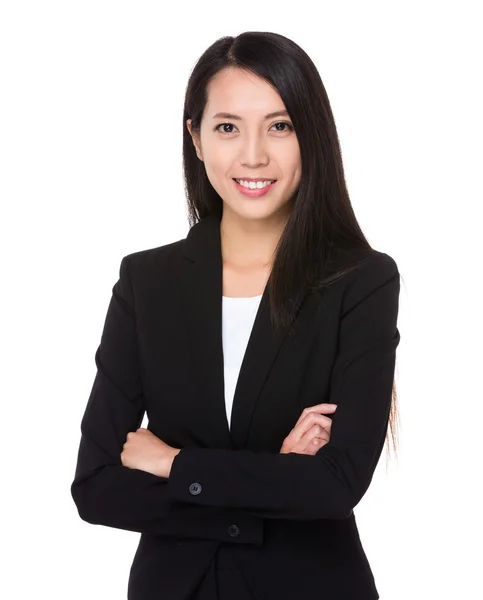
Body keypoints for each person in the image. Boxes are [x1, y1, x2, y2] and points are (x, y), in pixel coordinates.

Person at [70, 31, 401, 600]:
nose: (253, 155)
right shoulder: (146, 283)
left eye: (280, 126)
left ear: (311, 138)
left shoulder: (361, 281)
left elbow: (335, 485)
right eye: (228, 127)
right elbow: (97, 488)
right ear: (196, 139)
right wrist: (272, 477)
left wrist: (175, 464)